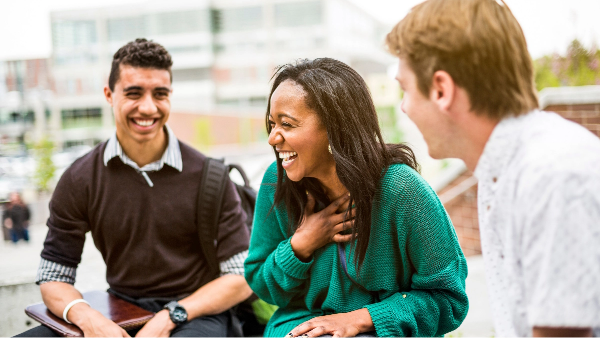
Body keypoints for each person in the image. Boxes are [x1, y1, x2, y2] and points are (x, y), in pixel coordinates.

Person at [386, 0, 600, 337]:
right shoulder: (503, 170)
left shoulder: (553, 176)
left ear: (441, 90)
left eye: (405, 89)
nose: (405, 106)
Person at [16, 38, 252, 338]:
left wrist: (169, 316)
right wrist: (90, 320)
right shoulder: (80, 178)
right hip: (119, 309)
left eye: (160, 94)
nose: (148, 107)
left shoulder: (211, 176)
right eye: (134, 93)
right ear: (109, 95)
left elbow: (241, 276)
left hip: (195, 313)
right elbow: (53, 276)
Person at [244, 58, 469, 338]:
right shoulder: (276, 182)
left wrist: (363, 319)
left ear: (334, 127)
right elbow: (261, 285)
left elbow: (449, 300)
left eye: (287, 125)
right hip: (299, 325)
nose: (273, 138)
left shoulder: (402, 191)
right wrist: (299, 245)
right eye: (272, 124)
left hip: (384, 330)